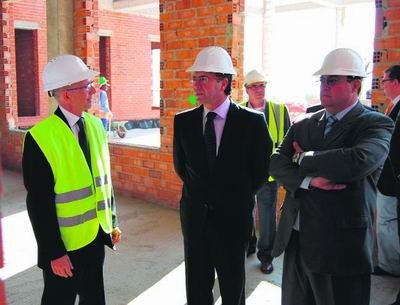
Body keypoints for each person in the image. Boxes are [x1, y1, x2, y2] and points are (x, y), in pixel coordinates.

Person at [270, 48, 393, 305]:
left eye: (333, 80)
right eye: (323, 80)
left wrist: (303, 159)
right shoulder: (304, 123)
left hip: (341, 248)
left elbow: (357, 161)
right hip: (297, 239)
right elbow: (276, 162)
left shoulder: (375, 124)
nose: (324, 86)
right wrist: (308, 180)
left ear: (355, 85)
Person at [173, 46, 272, 305]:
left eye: (202, 78)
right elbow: (182, 168)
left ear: (223, 82)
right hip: (195, 221)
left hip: (232, 223)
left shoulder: (252, 123)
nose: (195, 84)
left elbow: (259, 173)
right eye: (194, 78)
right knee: (196, 289)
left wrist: (230, 195)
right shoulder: (183, 122)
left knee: (232, 289)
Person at [22, 55, 122, 305]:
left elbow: (103, 178)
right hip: (65, 247)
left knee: (94, 299)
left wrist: (111, 221)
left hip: (96, 236)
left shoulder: (95, 125)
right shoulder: (40, 138)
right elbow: (38, 203)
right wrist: (53, 253)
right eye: (86, 86)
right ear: (66, 95)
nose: (92, 91)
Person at [242, 69, 291, 274]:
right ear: (246, 90)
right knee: (245, 211)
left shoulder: (279, 111)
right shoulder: (237, 111)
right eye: (254, 86)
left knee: (267, 216)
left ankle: (266, 255)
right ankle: (250, 243)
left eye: (262, 85)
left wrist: (287, 172)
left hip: (270, 175)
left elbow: (289, 143)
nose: (259, 89)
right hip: (244, 174)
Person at [375, 65, 400, 277]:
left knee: (387, 221)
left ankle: (390, 266)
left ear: (396, 82)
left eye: (384, 81)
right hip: (388, 177)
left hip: (391, 179)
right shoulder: (393, 107)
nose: (382, 86)